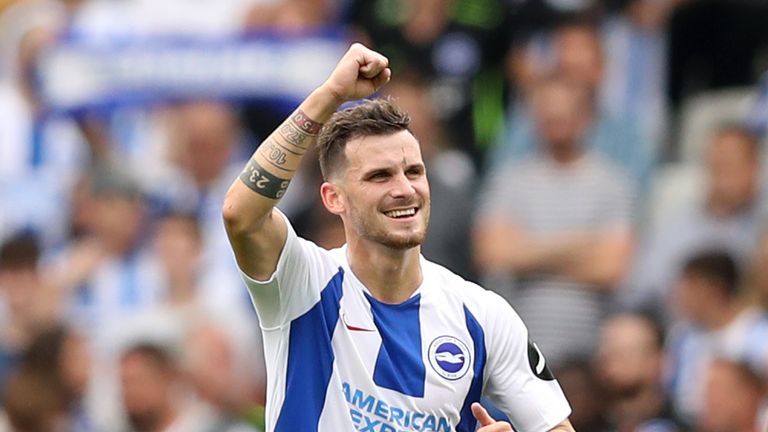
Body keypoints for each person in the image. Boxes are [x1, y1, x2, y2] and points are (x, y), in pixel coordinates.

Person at [222, 43, 574, 431]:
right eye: (380, 176)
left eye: (414, 171)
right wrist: (329, 96)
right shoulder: (304, 284)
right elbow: (241, 214)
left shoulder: (482, 315)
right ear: (333, 197)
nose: (405, 189)